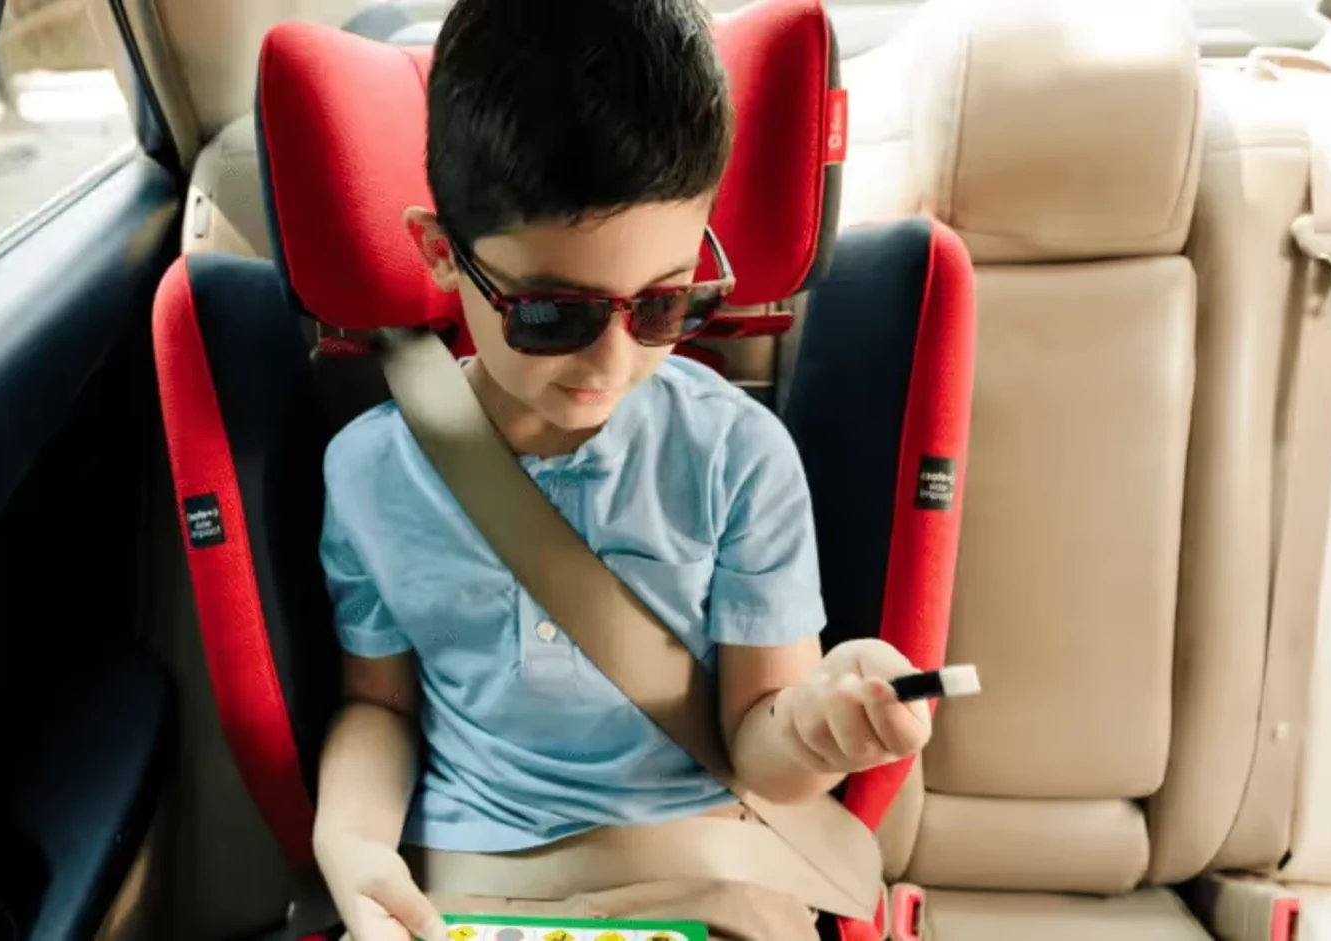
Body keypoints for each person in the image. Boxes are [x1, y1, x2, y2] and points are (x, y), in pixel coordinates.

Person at [312, 2, 931, 939]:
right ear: (441, 252)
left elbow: (762, 741)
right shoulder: (371, 472)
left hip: (704, 868)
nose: (611, 361)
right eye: (552, 314)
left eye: (662, 304)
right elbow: (379, 704)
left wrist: (816, 727)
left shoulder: (735, 455)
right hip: (466, 877)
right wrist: (352, 845)